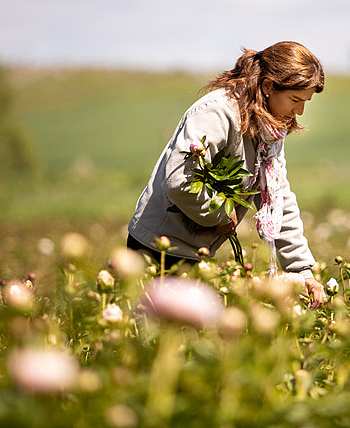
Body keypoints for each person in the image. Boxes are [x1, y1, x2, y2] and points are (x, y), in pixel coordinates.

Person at [127, 41, 327, 307]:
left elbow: (279, 197)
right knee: (153, 339)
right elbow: (179, 181)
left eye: (305, 102)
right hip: (158, 247)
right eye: (295, 100)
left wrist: (301, 269)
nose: (299, 111)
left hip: (196, 250)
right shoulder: (217, 112)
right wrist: (221, 215)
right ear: (268, 87)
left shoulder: (269, 129)